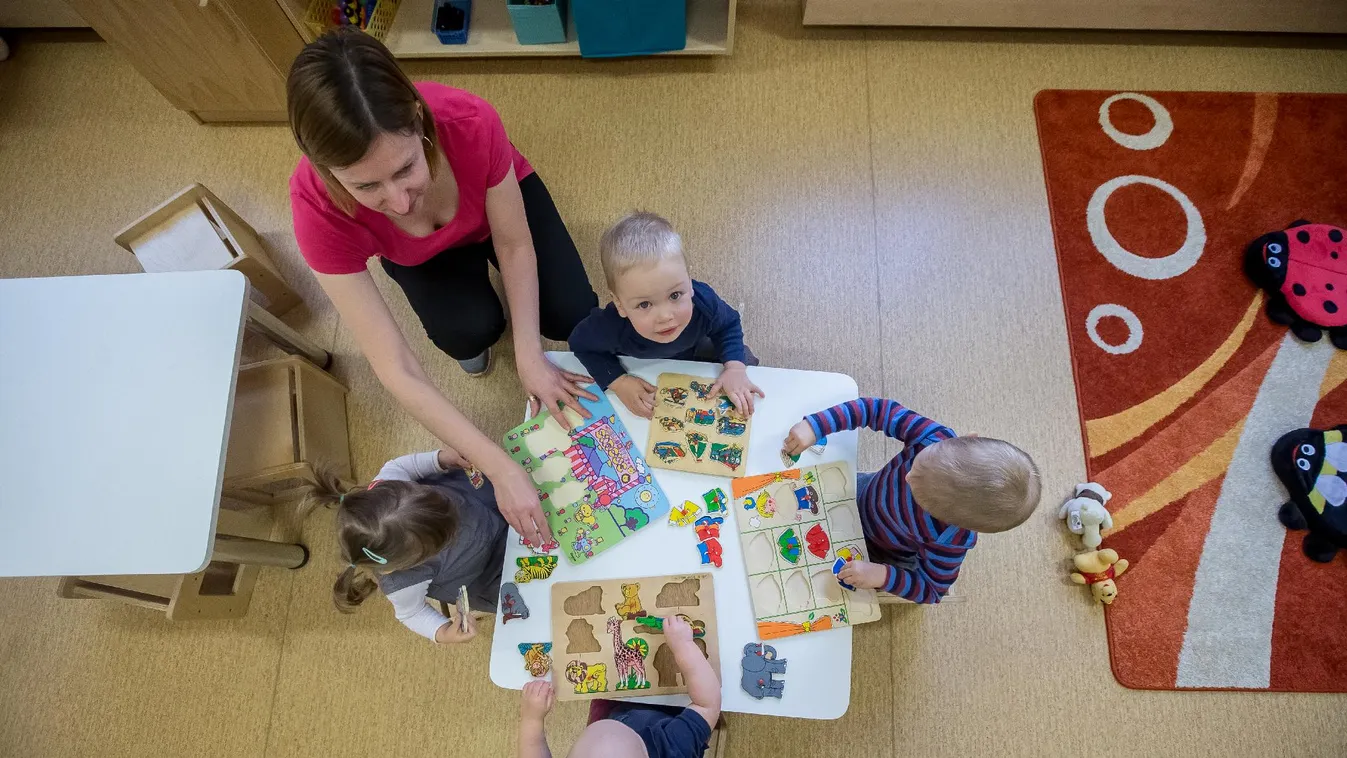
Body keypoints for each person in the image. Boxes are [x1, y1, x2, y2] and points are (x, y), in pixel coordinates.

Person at [287, 28, 597, 545]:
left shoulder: (470, 120)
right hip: (420, 256)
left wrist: (529, 356)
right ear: (326, 169)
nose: (399, 202)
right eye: (366, 187)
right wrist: (499, 466)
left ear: (417, 118)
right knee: (466, 331)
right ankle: (475, 339)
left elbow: (515, 245)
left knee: (571, 312)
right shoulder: (315, 210)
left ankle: (506, 337)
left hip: (497, 206)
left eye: (406, 168)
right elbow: (395, 367)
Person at [782, 398, 1041, 602]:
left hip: (883, 551)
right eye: (918, 464)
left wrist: (881, 575)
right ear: (964, 439)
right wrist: (816, 426)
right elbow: (876, 409)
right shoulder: (934, 437)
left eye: (921, 495)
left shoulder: (950, 540)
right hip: (863, 492)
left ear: (955, 522)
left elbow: (932, 589)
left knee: (813, 581)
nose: (908, 478)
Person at [568, 212, 762, 418]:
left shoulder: (704, 301)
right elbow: (580, 344)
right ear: (620, 304)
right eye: (644, 304)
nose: (665, 316)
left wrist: (735, 368)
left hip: (696, 349)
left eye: (675, 295)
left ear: (689, 281)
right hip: (639, 363)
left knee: (745, 357)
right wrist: (618, 381)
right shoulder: (609, 325)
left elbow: (729, 324)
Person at [302, 448, 505, 643]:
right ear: (402, 565)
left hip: (478, 499)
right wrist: (442, 633)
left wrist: (441, 459)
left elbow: (402, 465)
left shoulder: (389, 480)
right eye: (446, 538)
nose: (457, 523)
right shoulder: (401, 583)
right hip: (485, 572)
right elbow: (411, 614)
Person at [518, 615, 718, 758]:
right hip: (670, 714)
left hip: (610, 715)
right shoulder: (675, 747)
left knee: (603, 691)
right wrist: (684, 645)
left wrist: (532, 720)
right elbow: (707, 704)